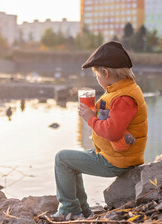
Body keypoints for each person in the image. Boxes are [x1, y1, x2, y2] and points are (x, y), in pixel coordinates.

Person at [53, 41, 148, 220]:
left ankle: (69, 210)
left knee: (62, 159)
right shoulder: (122, 90)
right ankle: (83, 210)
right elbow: (114, 119)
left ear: (105, 73)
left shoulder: (124, 98)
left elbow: (113, 132)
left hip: (117, 160)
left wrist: (90, 118)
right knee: (71, 162)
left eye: (97, 75)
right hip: (114, 152)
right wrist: (95, 112)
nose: (97, 79)